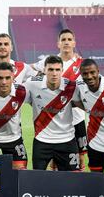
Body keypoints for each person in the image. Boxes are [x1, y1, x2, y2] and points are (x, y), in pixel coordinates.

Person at [31, 29, 87, 170]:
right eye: (63, 40)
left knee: (79, 163)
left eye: (69, 39)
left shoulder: (82, 64)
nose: (66, 42)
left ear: (74, 43)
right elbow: (29, 69)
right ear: (58, 44)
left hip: (77, 119)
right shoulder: (49, 61)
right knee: (54, 165)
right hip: (53, 120)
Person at [24, 55, 81, 171]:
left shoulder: (71, 87)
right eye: (50, 69)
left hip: (67, 141)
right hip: (42, 141)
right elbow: (12, 91)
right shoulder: (32, 84)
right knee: (38, 179)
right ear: (44, 70)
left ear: (62, 71)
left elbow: (87, 103)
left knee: (71, 181)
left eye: (57, 70)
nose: (54, 73)